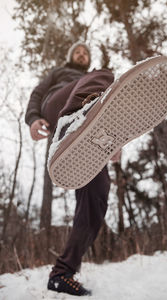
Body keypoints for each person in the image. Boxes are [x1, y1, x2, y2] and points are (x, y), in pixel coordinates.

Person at [25, 41, 119, 296]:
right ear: (70, 56)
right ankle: (72, 123)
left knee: (97, 199)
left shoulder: (94, 80)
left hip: (89, 136)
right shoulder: (59, 73)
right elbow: (36, 93)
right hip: (58, 106)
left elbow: (112, 113)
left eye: (85, 52)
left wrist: (114, 141)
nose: (81, 54)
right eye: (77, 51)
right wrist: (33, 119)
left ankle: (62, 273)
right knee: (105, 75)